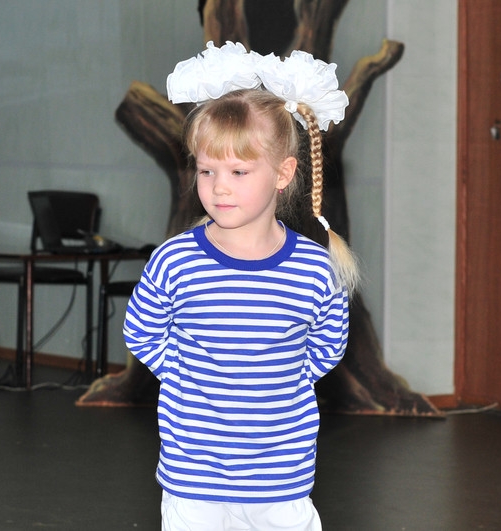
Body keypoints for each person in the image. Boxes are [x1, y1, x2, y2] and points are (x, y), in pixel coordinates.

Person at [123, 42, 360, 531]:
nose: (219, 186)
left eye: (238, 171)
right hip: (194, 478)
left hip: (280, 479)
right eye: (206, 170)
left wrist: (278, 381)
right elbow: (142, 333)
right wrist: (189, 376)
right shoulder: (175, 260)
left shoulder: (315, 269)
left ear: (283, 173)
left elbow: (327, 347)